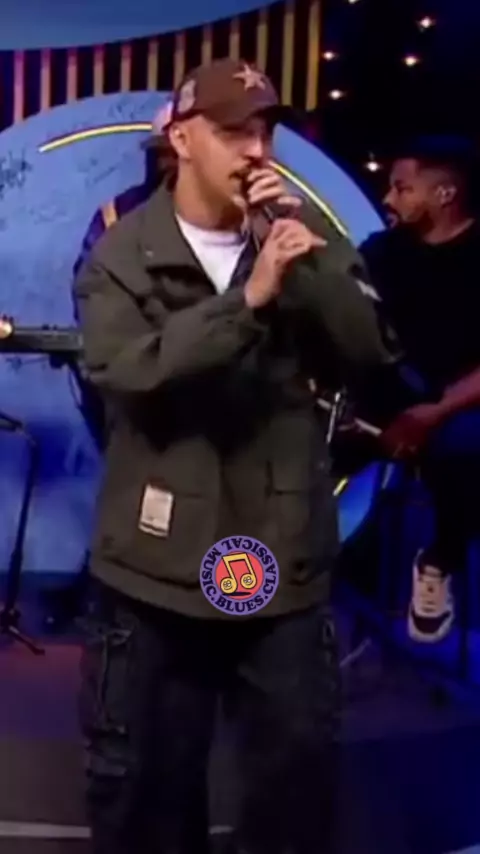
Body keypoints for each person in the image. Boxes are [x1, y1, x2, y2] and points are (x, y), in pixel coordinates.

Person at [74, 57, 394, 854]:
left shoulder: (304, 242)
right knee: (147, 804)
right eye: (231, 131)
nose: (255, 149)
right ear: (182, 139)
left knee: (293, 804)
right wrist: (247, 303)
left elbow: (371, 353)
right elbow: (127, 372)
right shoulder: (121, 252)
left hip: (280, 566)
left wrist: (310, 260)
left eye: (264, 131)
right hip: (153, 571)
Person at [42, 106, 173, 631]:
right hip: (128, 375)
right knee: (131, 481)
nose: (169, 164)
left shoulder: (238, 223)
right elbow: (90, 287)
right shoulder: (119, 213)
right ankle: (116, 591)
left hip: (202, 382)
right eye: (162, 154)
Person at [361, 135, 480, 643]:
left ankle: (438, 562)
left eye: (402, 188)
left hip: (458, 406)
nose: (389, 199)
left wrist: (431, 414)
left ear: (444, 194)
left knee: (465, 449)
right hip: (385, 397)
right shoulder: (382, 251)